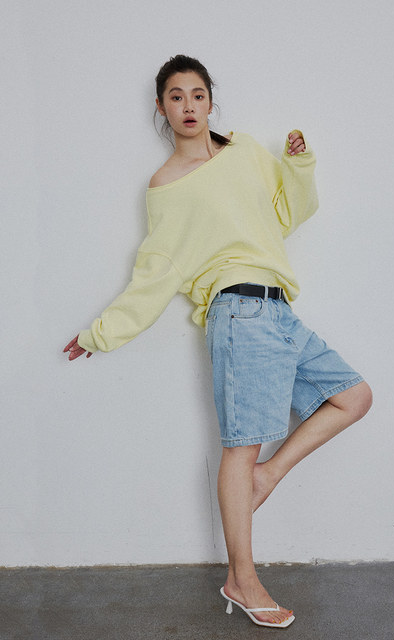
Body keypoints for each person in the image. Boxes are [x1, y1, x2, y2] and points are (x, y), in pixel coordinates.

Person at [64, 54, 372, 629]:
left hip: (279, 309)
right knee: (241, 446)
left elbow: (286, 214)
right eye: (176, 97)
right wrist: (100, 333)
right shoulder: (166, 186)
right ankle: (243, 579)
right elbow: (156, 273)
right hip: (237, 310)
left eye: (197, 95)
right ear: (161, 108)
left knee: (354, 397)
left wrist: (298, 165)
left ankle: (268, 477)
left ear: (211, 101)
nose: (188, 106)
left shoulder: (246, 151)